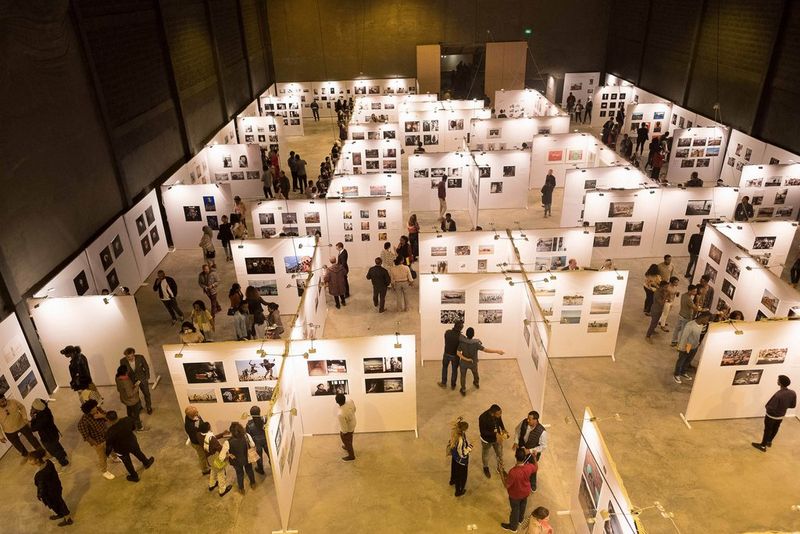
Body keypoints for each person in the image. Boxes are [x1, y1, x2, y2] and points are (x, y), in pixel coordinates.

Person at [105, 410, 154, 482]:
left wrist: (107, 454)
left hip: (121, 449)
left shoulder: (110, 432)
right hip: (132, 442)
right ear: (117, 415)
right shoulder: (127, 420)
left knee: (127, 462)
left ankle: (134, 476)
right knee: (138, 453)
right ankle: (146, 463)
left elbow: (109, 444)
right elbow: (133, 427)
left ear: (108, 420)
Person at [28, 449, 73, 526]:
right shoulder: (49, 463)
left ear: (37, 460)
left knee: (59, 503)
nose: (29, 461)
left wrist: (40, 495)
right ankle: (60, 514)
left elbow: (42, 487)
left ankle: (68, 518)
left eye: (30, 459)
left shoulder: (40, 474)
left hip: (51, 492)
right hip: (56, 487)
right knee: (58, 502)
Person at [752, 375, 796, 452]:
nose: (777, 381)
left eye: (778, 380)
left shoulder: (778, 395)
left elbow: (770, 407)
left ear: (780, 383)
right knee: (775, 428)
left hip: (771, 416)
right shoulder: (792, 393)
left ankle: (763, 446)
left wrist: (768, 409)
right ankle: (769, 442)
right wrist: (783, 407)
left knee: (767, 430)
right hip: (781, 416)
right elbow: (793, 405)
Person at [456, 327, 504, 396]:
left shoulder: (462, 343)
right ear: (473, 334)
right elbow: (486, 350)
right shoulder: (476, 344)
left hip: (463, 363)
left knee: (463, 376)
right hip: (473, 363)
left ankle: (463, 389)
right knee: (475, 373)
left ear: (466, 334)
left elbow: (458, 353)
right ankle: (476, 383)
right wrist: (497, 351)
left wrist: (466, 359)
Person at [501, 448, 538, 532]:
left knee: (515, 510)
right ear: (525, 457)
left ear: (515, 457)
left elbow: (506, 485)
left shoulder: (513, 472)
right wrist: (534, 457)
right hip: (525, 492)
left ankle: (513, 527)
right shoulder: (528, 467)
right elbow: (536, 468)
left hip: (515, 495)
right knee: (523, 505)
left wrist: (501, 473)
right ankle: (520, 520)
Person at [77, 400, 114, 480]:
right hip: (99, 441)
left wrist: (102, 416)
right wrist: (96, 444)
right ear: (89, 411)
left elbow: (109, 417)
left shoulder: (99, 410)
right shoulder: (83, 422)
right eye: (94, 408)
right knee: (102, 457)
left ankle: (114, 457)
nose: (96, 408)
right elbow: (86, 436)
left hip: (107, 435)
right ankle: (104, 471)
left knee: (112, 448)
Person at [512, 411, 547, 491]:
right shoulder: (524, 422)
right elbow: (517, 431)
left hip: (532, 454)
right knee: (519, 465)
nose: (527, 420)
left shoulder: (542, 432)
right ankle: (518, 480)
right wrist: (516, 442)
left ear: (535, 420)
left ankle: (533, 483)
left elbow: (543, 446)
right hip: (521, 448)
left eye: (530, 419)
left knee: (532, 468)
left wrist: (530, 450)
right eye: (528, 418)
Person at [673, 312, 712, 383]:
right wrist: (681, 348)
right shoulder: (690, 325)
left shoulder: (701, 325)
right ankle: (676, 374)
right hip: (688, 345)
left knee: (688, 360)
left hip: (695, 346)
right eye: (707, 319)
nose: (707, 321)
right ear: (703, 317)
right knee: (682, 360)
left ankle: (683, 372)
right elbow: (684, 337)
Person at [29, 399, 68, 466]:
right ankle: (64, 454)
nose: (31, 408)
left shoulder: (41, 417)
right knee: (57, 445)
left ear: (37, 408)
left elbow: (33, 428)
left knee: (54, 450)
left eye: (32, 407)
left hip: (48, 437)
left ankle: (64, 463)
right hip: (53, 433)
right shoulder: (46, 410)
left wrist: (32, 418)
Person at [199, 421, 233, 496]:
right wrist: (227, 454)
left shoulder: (199, 435)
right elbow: (220, 448)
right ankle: (222, 490)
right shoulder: (212, 439)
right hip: (215, 457)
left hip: (209, 457)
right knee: (220, 473)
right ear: (208, 429)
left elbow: (211, 438)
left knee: (213, 470)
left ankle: (212, 484)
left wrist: (222, 434)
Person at [478, 404, 508, 478]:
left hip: (496, 439)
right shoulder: (482, 418)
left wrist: (503, 429)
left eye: (500, 413)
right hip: (486, 440)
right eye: (498, 414)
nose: (500, 415)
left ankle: (500, 468)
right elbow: (483, 432)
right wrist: (495, 434)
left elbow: (500, 421)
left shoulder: (497, 414)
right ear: (492, 413)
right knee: (485, 455)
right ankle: (485, 467)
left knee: (500, 453)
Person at [120, 347, 152, 415]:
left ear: (133, 354)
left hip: (142, 379)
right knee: (135, 395)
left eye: (131, 356)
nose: (130, 358)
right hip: (132, 381)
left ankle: (149, 407)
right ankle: (139, 406)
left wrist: (147, 377)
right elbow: (123, 372)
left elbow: (146, 367)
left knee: (146, 393)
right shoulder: (122, 361)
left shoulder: (140, 357)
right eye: (128, 357)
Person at [228, 422, 256, 492]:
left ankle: (241, 488)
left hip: (236, 461)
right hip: (247, 458)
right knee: (249, 470)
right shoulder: (246, 436)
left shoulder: (228, 442)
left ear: (231, 431)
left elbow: (223, 454)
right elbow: (252, 445)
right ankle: (253, 483)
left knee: (239, 474)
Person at [447, 418, 472, 497]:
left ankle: (452, 481)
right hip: (460, 460)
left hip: (455, 457)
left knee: (454, 471)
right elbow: (462, 453)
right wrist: (469, 448)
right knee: (461, 476)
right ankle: (459, 491)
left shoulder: (455, 433)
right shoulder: (461, 439)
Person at [115, 365, 143, 431]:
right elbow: (130, 394)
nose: (128, 371)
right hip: (132, 401)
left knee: (130, 412)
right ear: (125, 372)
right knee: (136, 414)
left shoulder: (117, 377)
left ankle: (131, 425)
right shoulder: (125, 382)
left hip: (125, 399)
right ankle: (139, 427)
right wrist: (136, 387)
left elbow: (119, 389)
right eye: (127, 370)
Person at [184, 406, 210, 475]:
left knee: (204, 454)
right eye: (196, 413)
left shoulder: (191, 418)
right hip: (197, 443)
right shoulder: (191, 426)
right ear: (191, 416)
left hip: (199, 440)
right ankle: (205, 470)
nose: (198, 414)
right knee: (202, 456)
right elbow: (197, 435)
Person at [438, 320, 463, 390]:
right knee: (454, 370)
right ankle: (453, 385)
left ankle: (443, 383)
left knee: (444, 368)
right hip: (455, 356)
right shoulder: (461, 336)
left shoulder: (447, 332)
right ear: (461, 328)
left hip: (446, 354)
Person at [246, 406, 269, 475]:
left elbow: (248, 436)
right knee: (270, 455)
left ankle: (261, 469)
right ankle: (273, 466)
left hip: (256, 443)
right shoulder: (264, 420)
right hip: (265, 440)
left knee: (259, 458)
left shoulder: (249, 424)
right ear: (259, 412)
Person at [336, 393, 356, 461]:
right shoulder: (350, 401)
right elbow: (355, 409)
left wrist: (343, 433)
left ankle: (351, 455)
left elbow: (344, 428)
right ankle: (347, 446)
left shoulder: (340, 414)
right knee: (350, 436)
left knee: (345, 438)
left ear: (337, 402)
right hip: (353, 421)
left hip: (349, 426)